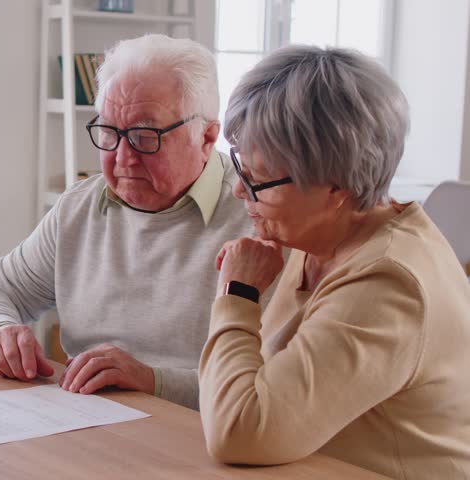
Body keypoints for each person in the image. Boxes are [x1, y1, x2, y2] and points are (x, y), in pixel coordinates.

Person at [199, 45, 470, 479]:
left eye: (258, 179)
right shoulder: (321, 235)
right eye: (240, 168)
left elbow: (241, 431)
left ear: (335, 186)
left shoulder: (388, 282)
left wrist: (238, 294)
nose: (238, 191)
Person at [0, 34, 252, 410]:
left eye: (146, 136)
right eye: (110, 133)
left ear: (207, 136)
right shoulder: (81, 206)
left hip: (204, 441)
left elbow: (272, 390)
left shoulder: (258, 217)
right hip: (89, 426)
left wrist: (152, 381)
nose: (123, 158)